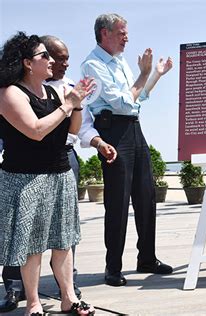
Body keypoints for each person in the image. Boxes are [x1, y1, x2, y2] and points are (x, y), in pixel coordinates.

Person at [0, 32, 95, 315]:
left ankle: (68, 298)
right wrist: (67, 106)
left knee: (63, 240)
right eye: (45, 56)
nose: (51, 61)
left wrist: (76, 103)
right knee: (32, 244)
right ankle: (33, 303)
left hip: (59, 175)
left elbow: (73, 131)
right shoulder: (9, 93)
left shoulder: (53, 92)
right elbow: (36, 130)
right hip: (25, 179)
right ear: (28, 63)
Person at [81, 13, 173, 287]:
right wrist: (144, 74)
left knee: (147, 196)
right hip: (113, 133)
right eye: (121, 32)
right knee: (118, 203)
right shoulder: (92, 65)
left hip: (134, 129)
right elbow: (121, 102)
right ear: (104, 33)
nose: (127, 37)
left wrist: (155, 74)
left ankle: (147, 257)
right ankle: (113, 267)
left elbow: (138, 98)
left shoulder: (119, 62)